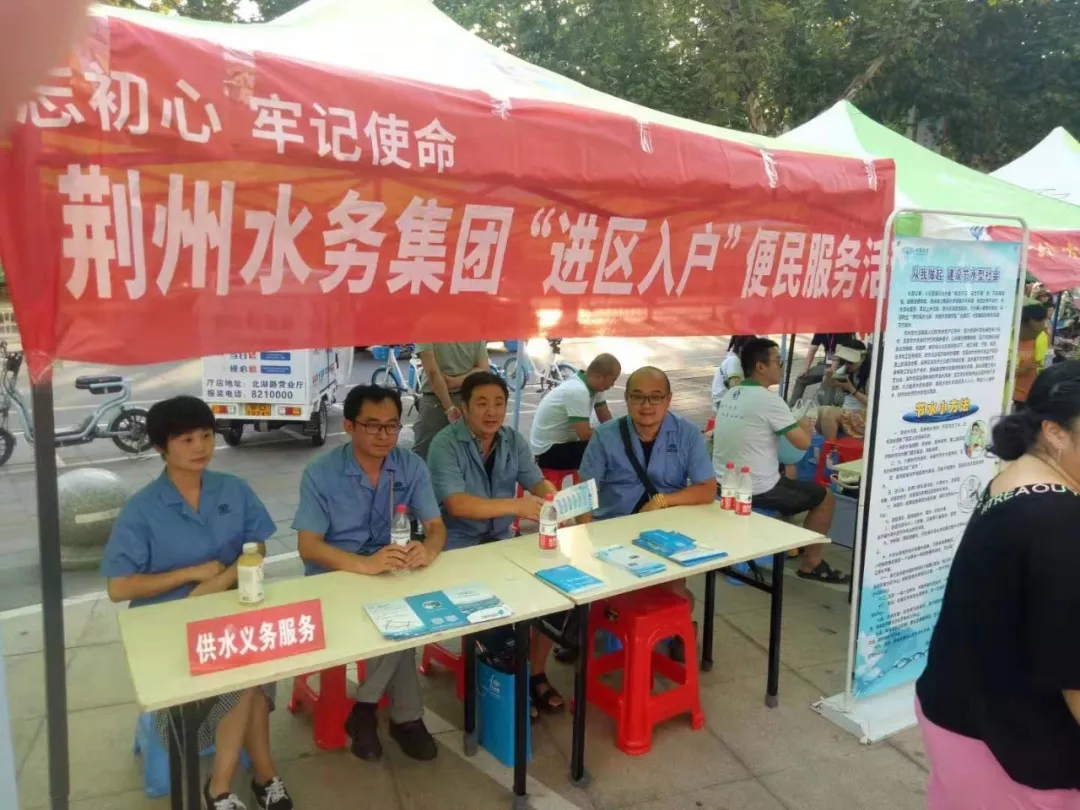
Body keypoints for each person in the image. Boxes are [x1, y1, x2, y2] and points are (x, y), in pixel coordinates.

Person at [101, 396, 294, 810]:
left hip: (233, 607)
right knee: (247, 672)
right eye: (186, 439)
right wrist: (189, 575)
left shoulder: (232, 489)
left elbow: (257, 546)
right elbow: (118, 587)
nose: (200, 446)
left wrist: (221, 580)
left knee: (255, 665)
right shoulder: (142, 509)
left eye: (206, 435)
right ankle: (237, 782)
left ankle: (248, 778)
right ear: (160, 447)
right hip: (167, 625)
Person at [916, 361, 1080, 809]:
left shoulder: (1018, 482)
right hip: (1013, 743)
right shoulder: (1060, 521)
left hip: (962, 713)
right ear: (1055, 432)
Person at [293, 386, 446, 763]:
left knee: (410, 613)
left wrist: (427, 549)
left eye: (392, 426)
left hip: (391, 570)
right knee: (400, 620)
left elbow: (436, 527)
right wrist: (366, 565)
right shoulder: (321, 473)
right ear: (349, 426)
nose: (384, 435)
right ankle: (405, 718)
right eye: (373, 426)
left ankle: (366, 707)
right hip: (336, 574)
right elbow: (309, 546)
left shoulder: (410, 465)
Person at [427, 371, 566, 714]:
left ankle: (534, 674)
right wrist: (516, 506)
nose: (492, 412)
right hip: (460, 548)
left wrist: (554, 497)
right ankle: (506, 683)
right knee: (500, 619)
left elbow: (535, 480)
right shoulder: (444, 444)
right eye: (482, 403)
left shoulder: (512, 440)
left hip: (504, 541)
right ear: (464, 407)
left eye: (499, 403)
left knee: (559, 594)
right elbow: (457, 504)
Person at [578, 366, 717, 660]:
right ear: (626, 399)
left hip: (666, 533)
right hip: (613, 528)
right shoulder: (606, 435)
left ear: (668, 399)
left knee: (673, 592)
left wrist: (664, 501)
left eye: (655, 397)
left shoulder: (687, 434)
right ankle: (589, 627)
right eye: (638, 397)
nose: (646, 405)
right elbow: (584, 493)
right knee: (607, 597)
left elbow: (707, 489)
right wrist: (586, 542)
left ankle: (678, 626)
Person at [712, 338, 848, 584]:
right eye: (778, 361)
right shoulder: (769, 400)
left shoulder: (732, 393)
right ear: (760, 367)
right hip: (755, 488)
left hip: (723, 482)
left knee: (789, 472)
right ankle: (812, 563)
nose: (782, 367)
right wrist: (805, 425)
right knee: (824, 497)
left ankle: (788, 542)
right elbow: (802, 444)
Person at [530, 353, 620, 470]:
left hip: (563, 444)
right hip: (547, 451)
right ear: (599, 377)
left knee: (613, 446)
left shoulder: (596, 387)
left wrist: (620, 434)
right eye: (613, 380)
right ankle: (595, 482)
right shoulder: (578, 391)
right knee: (605, 451)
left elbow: (606, 418)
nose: (613, 384)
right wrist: (614, 440)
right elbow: (585, 434)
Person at [412, 341, 490, 460]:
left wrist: (449, 407)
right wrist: (459, 381)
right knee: (468, 457)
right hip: (469, 400)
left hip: (436, 402)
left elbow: (432, 372)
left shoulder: (426, 331)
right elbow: (483, 368)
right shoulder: (474, 331)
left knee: (424, 457)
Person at [818, 339, 870, 441]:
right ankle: (829, 444)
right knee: (821, 411)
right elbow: (829, 385)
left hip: (864, 416)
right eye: (845, 361)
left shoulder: (871, 375)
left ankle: (831, 447)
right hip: (847, 412)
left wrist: (851, 389)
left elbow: (872, 404)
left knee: (828, 412)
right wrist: (828, 376)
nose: (847, 364)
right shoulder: (846, 370)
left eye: (850, 362)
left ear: (863, 358)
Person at [788, 332, 855, 406]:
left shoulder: (843, 330)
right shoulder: (821, 330)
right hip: (827, 364)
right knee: (801, 378)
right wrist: (805, 369)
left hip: (842, 365)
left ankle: (826, 408)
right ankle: (792, 407)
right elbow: (812, 349)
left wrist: (830, 373)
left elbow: (837, 355)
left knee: (830, 380)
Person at [1014, 303, 1050, 411]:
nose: (1045, 326)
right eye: (1036, 331)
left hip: (1031, 395)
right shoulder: (1008, 340)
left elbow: (1042, 362)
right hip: (1012, 397)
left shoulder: (1041, 337)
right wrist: (1020, 371)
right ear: (1030, 322)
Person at [711, 335, 754, 408]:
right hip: (723, 400)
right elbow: (735, 388)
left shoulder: (738, 360)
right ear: (741, 349)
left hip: (727, 399)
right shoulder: (734, 361)